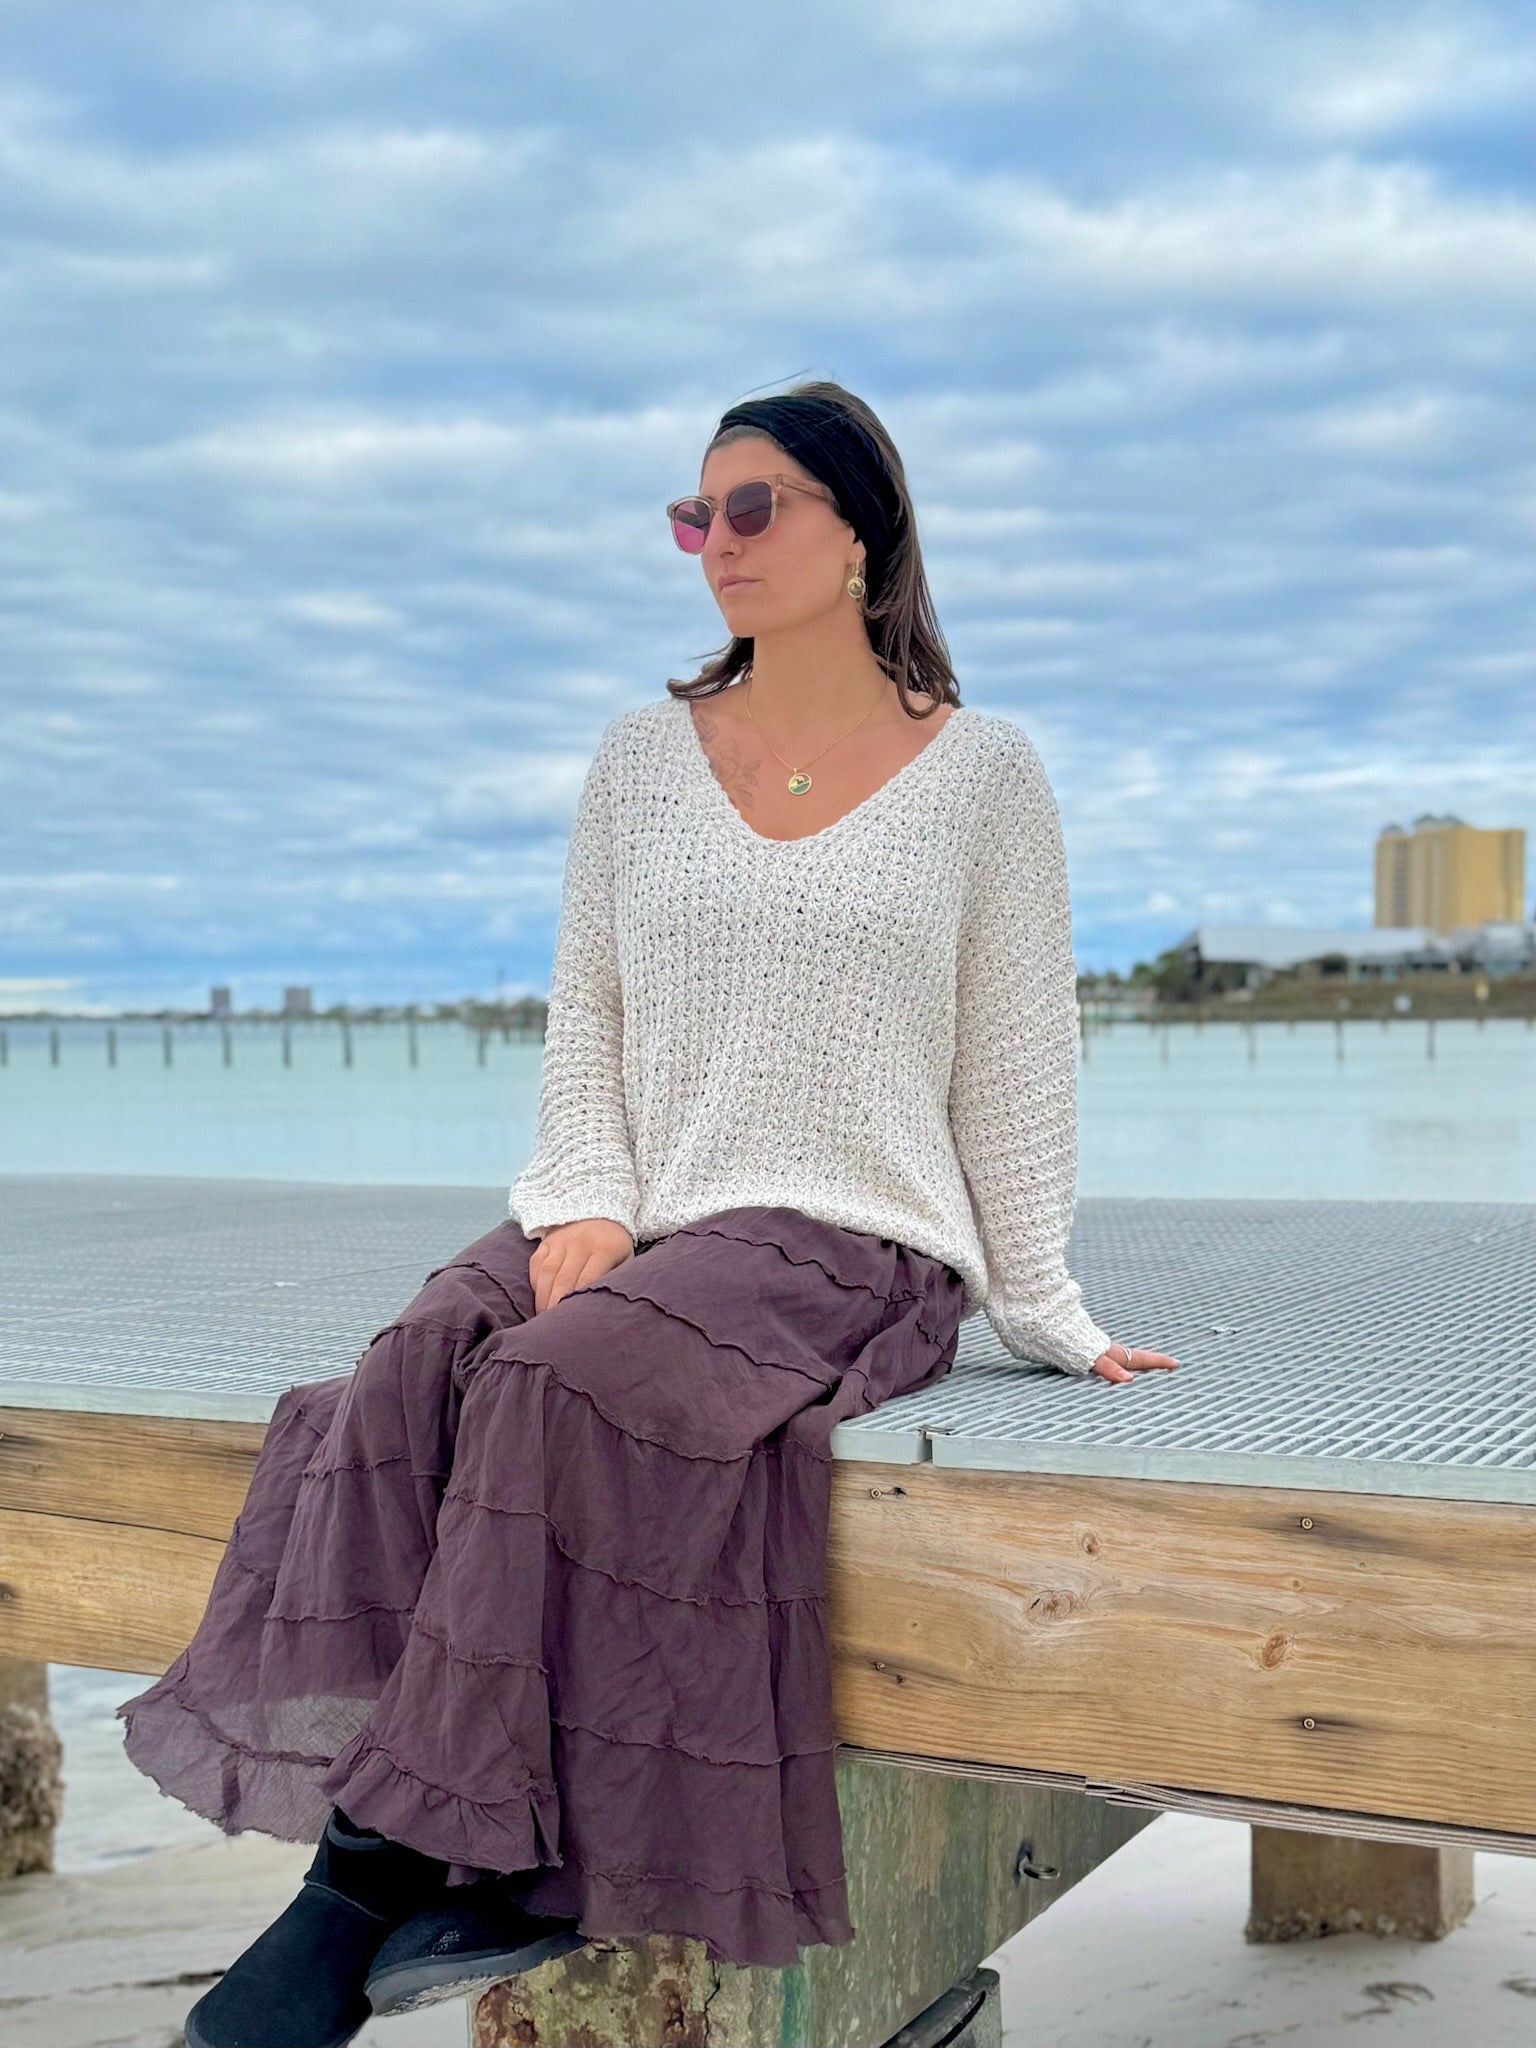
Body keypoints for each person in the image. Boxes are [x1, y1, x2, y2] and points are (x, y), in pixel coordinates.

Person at [116, 380, 1178, 2048]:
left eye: (752, 509)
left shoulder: (983, 774)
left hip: (850, 1234)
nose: (714, 545)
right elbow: (587, 1018)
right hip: (646, 1201)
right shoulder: (638, 757)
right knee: (422, 1359)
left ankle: (358, 1885)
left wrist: (1044, 1306)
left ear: (862, 534)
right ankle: (464, 1852)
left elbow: (1019, 1059)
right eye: (694, 517)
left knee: (558, 1386)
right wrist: (589, 1204)